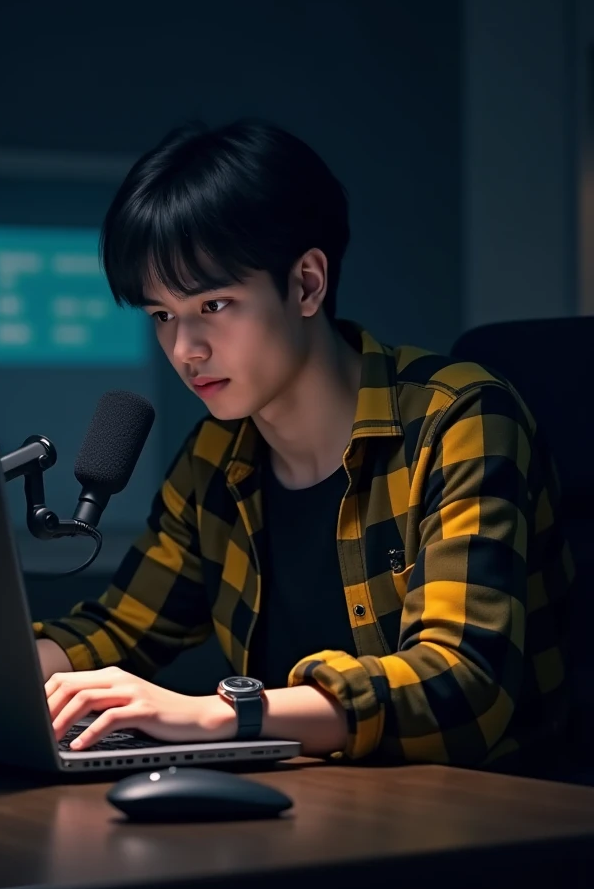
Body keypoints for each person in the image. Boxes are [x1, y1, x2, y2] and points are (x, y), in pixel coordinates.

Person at [34, 118, 573, 774]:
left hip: (498, 819)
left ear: (308, 284)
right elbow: (120, 630)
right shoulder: (214, 456)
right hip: (313, 815)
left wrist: (218, 716)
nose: (185, 350)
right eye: (162, 315)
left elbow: (464, 684)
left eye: (214, 305)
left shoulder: (457, 417)